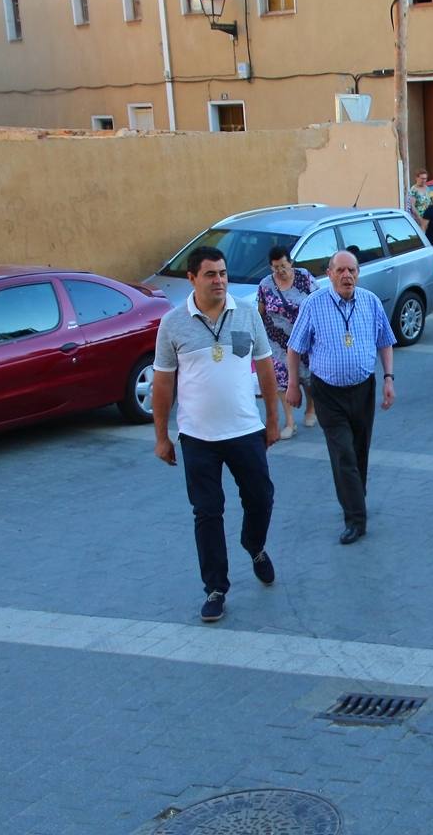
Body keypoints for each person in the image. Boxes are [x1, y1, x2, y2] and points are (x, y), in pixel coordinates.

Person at [151, 245, 280, 624]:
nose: (219, 280)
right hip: (197, 437)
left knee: (262, 496)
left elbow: (266, 370)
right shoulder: (173, 324)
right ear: (192, 279)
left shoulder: (246, 314)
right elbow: (162, 385)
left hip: (245, 430)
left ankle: (254, 545)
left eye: (222, 273)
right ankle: (216, 588)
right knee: (207, 512)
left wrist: (272, 419)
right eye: (210, 274)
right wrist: (162, 436)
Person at [286, 251, 396, 545]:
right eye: (341, 270)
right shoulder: (314, 304)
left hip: (363, 389)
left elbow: (385, 342)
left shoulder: (370, 302)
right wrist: (293, 385)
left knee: (360, 449)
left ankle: (354, 498)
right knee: (343, 452)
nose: (347, 276)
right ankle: (355, 519)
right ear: (329, 273)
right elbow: (295, 348)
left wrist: (388, 379)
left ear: (358, 274)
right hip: (327, 393)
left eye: (352, 271)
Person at [258, 245, 318, 436]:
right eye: (275, 268)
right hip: (277, 341)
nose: (280, 271)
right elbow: (260, 311)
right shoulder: (265, 285)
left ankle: (311, 408)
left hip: (304, 338)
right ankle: (290, 422)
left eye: (283, 266)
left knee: (307, 378)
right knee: (281, 380)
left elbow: (318, 301)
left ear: (290, 263)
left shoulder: (304, 277)